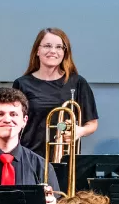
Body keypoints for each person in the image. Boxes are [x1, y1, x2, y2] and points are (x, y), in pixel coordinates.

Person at [11, 27, 99, 155]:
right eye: (47, 46)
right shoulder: (22, 84)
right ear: (37, 50)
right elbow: (14, 122)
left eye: (59, 47)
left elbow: (92, 123)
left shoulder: (77, 83)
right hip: (29, 154)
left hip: (65, 157)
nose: (53, 51)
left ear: (65, 52)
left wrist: (79, 131)